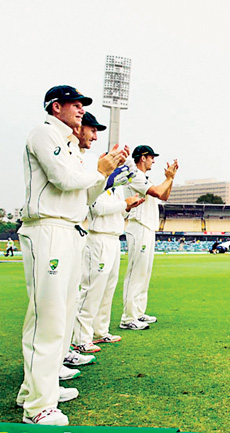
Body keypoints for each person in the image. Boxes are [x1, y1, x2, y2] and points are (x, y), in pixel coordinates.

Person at [17, 86, 128, 426]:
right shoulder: (44, 133)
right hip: (47, 228)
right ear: (56, 107)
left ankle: (37, 390)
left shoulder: (69, 145)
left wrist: (106, 173)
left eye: (82, 106)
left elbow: (86, 195)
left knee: (62, 316)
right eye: (75, 104)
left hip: (69, 229)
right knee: (48, 318)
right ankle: (38, 407)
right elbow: (63, 179)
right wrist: (100, 169)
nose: (81, 110)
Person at [72, 113, 144, 354]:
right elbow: (98, 209)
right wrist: (124, 204)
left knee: (107, 288)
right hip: (98, 238)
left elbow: (117, 211)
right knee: (92, 289)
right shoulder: (98, 181)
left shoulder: (116, 187)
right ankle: (81, 337)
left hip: (114, 238)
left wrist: (128, 206)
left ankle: (100, 331)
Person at [120, 145, 178, 330]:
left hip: (148, 226)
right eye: (152, 157)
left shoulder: (146, 178)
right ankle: (128, 318)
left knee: (144, 273)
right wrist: (167, 178)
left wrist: (171, 179)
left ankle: (138, 312)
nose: (153, 161)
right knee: (136, 273)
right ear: (143, 157)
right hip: (138, 226)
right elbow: (158, 192)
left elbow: (164, 196)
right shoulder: (134, 175)